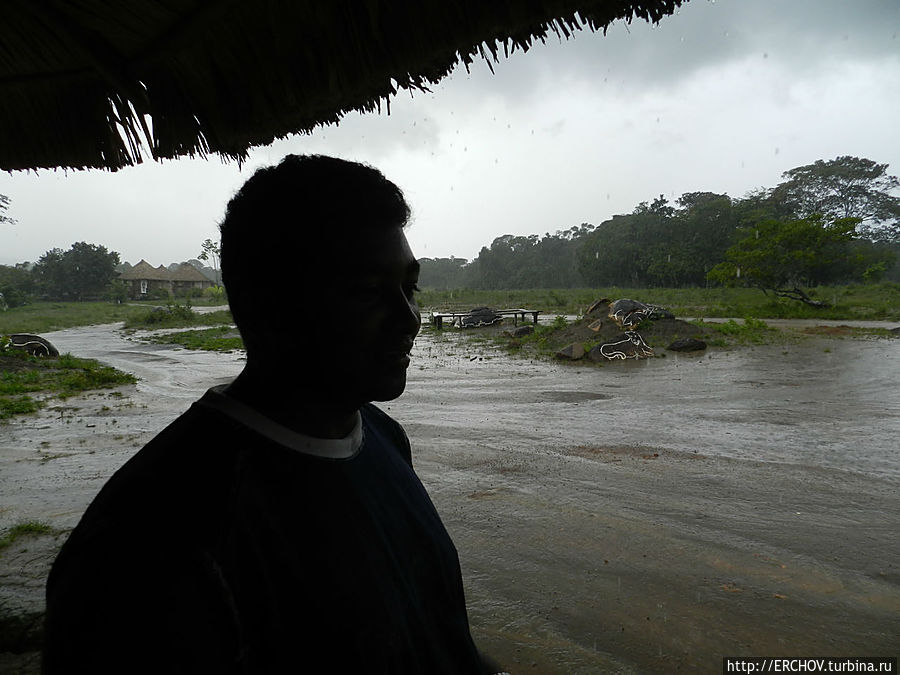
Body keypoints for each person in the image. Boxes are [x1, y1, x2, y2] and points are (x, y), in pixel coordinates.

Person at [43, 155, 505, 674]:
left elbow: (437, 635)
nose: (409, 318)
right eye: (368, 292)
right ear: (271, 305)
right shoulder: (154, 545)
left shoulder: (381, 437)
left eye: (410, 288)